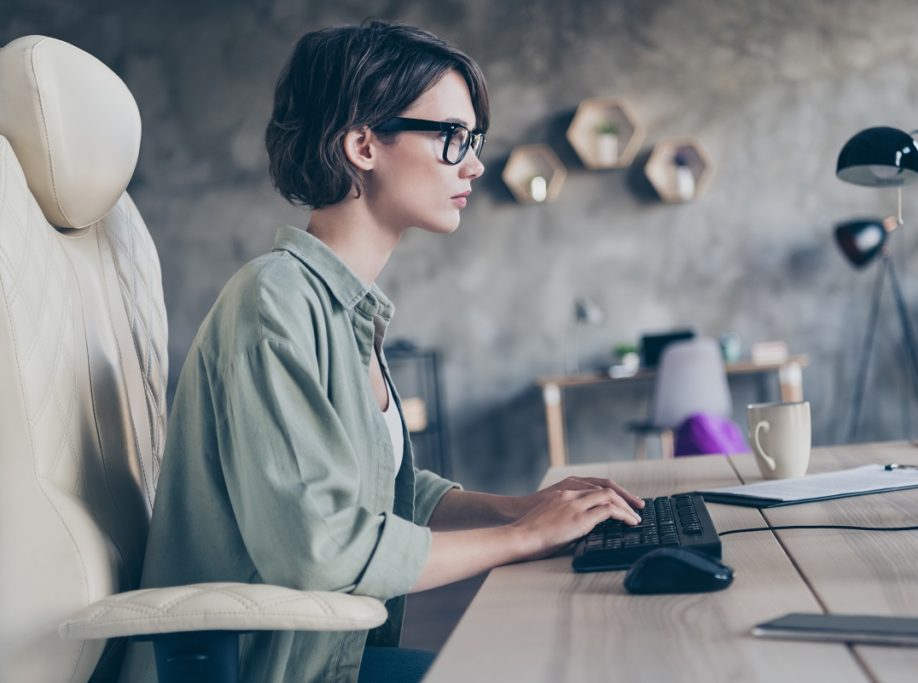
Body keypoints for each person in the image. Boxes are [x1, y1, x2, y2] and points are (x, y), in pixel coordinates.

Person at [122, 20, 644, 683]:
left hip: (334, 659)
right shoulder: (273, 299)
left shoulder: (348, 308)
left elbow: (379, 487)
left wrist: (521, 506)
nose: (475, 163)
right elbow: (320, 545)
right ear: (363, 144)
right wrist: (522, 537)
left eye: (474, 141)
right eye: (453, 137)